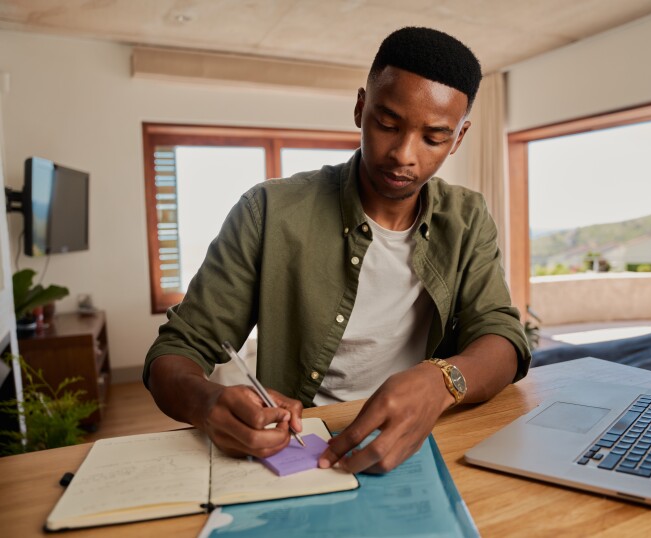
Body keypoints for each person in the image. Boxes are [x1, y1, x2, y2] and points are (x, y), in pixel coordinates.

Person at [144, 26, 531, 475]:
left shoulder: (467, 217)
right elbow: (176, 351)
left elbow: (503, 335)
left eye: (433, 138)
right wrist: (207, 401)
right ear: (360, 108)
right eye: (387, 124)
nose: (404, 154)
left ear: (458, 138)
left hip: (421, 438)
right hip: (296, 451)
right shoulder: (268, 211)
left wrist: (442, 380)